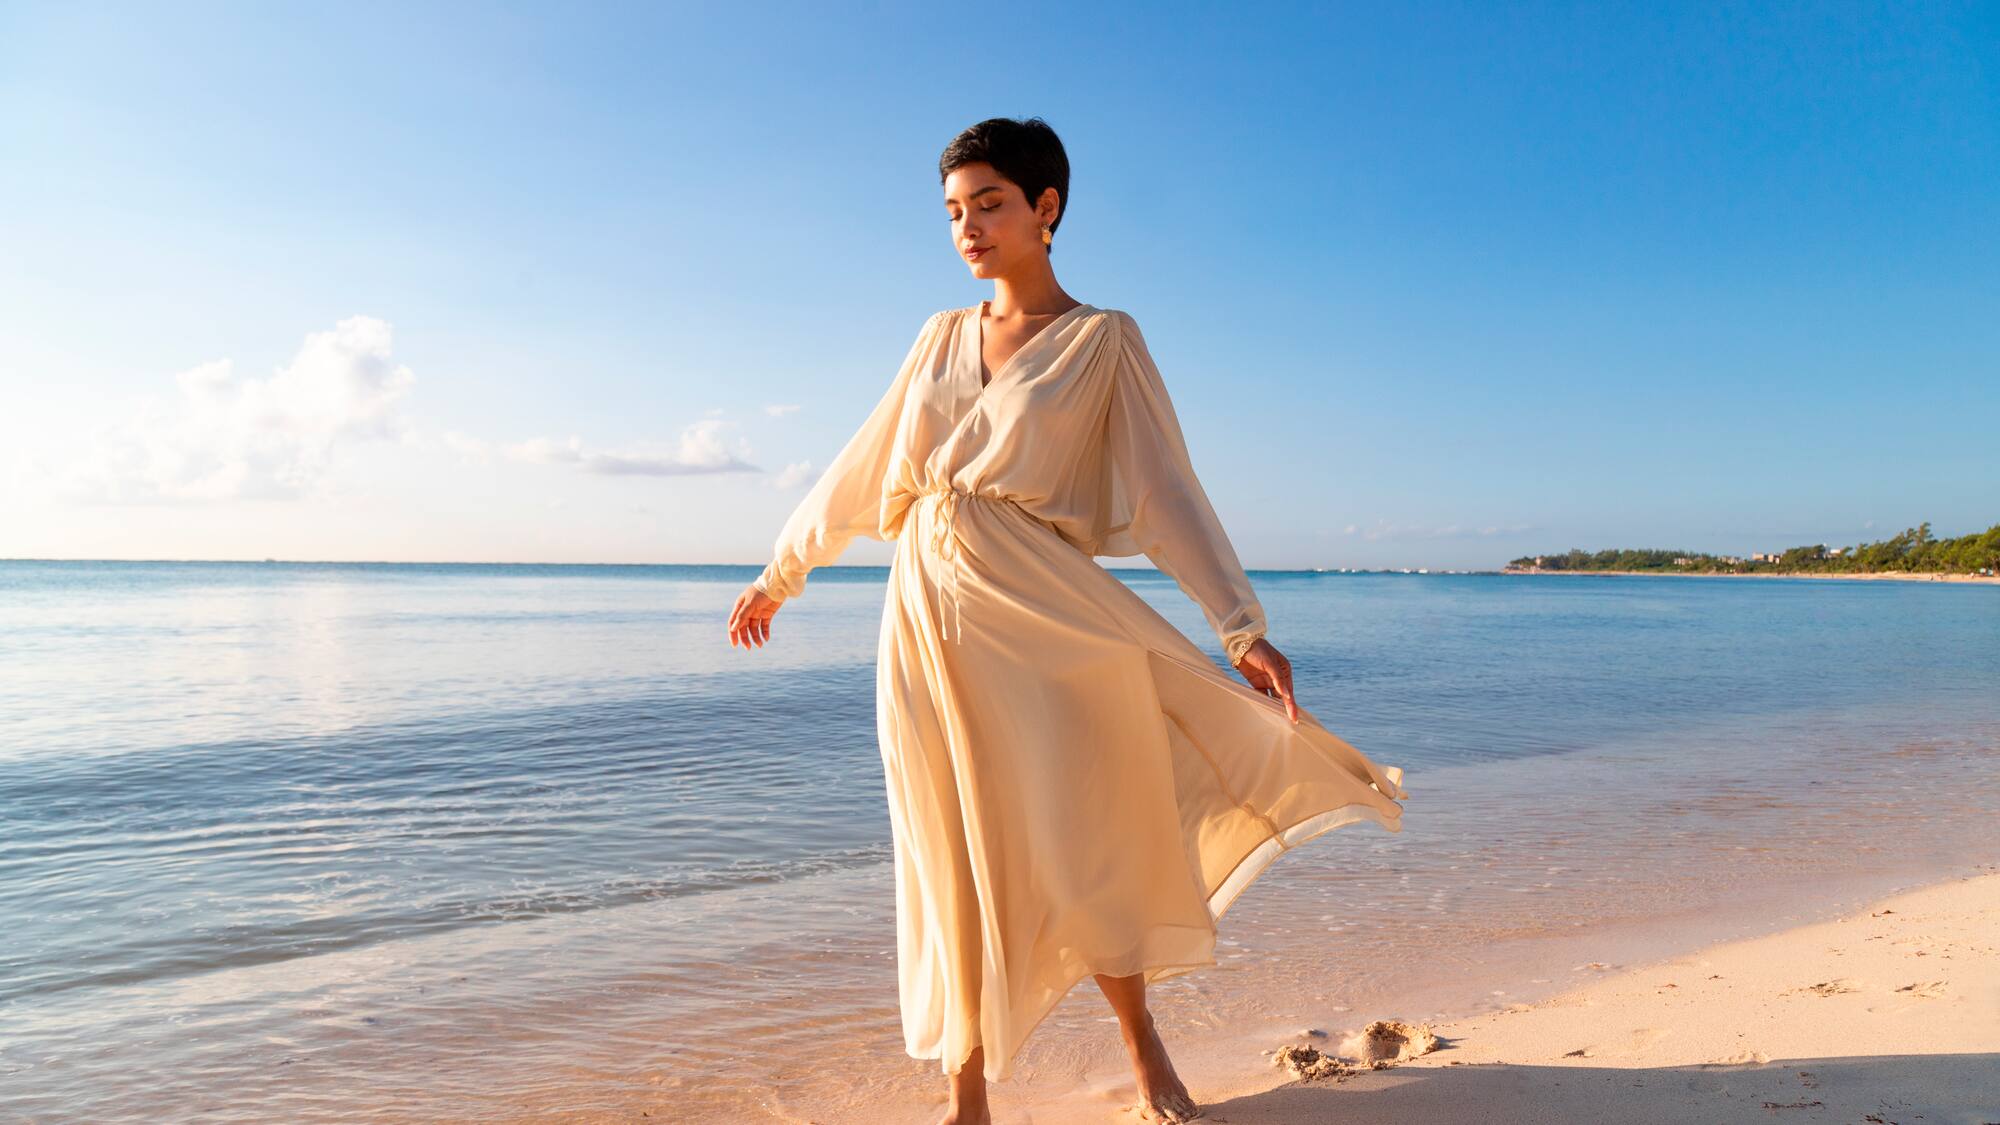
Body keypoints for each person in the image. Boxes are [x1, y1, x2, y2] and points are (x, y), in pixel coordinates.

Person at [726, 116, 1407, 1125]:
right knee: (946, 843)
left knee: (1080, 832)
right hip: (923, 623)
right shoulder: (937, 337)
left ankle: (1148, 1062)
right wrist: (784, 573)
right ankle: (967, 1099)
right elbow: (866, 464)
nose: (967, 227)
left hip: (1043, 614)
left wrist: (1238, 626)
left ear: (1046, 209)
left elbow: (1165, 489)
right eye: (953, 211)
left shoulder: (1102, 341)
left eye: (989, 203)